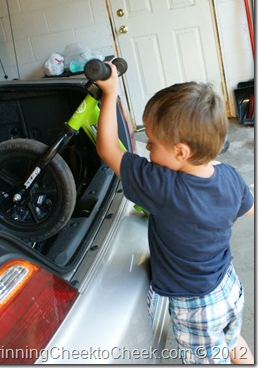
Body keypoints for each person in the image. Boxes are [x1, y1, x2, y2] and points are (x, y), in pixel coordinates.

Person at [96, 62, 254, 364]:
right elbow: (249, 209)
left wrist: (111, 93)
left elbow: (107, 150)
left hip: (197, 308)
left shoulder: (162, 188)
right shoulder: (230, 177)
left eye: (152, 144)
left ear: (181, 151)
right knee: (232, 341)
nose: (147, 150)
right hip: (228, 288)